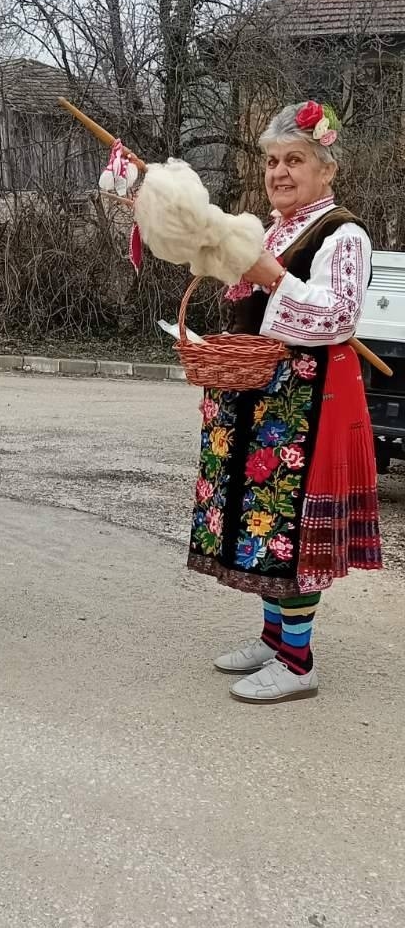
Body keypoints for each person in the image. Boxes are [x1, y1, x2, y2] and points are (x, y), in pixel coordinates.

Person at [188, 100, 382, 703]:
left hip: (307, 403)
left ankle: (298, 663)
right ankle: (275, 639)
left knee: (288, 530)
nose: (279, 172)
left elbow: (338, 317)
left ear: (327, 169)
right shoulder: (274, 227)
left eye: (295, 160)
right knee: (262, 521)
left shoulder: (343, 234)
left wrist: (272, 276)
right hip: (262, 396)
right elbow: (246, 305)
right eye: (272, 161)